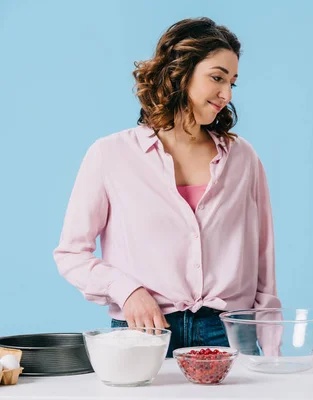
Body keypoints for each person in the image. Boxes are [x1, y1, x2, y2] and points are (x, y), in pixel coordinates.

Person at [54, 17, 280, 357]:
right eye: (217, 78)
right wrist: (127, 291)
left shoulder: (242, 157)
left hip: (230, 332)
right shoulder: (110, 155)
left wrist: (272, 351)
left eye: (232, 82)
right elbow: (71, 254)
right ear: (180, 72)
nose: (227, 94)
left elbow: (264, 263)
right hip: (144, 332)